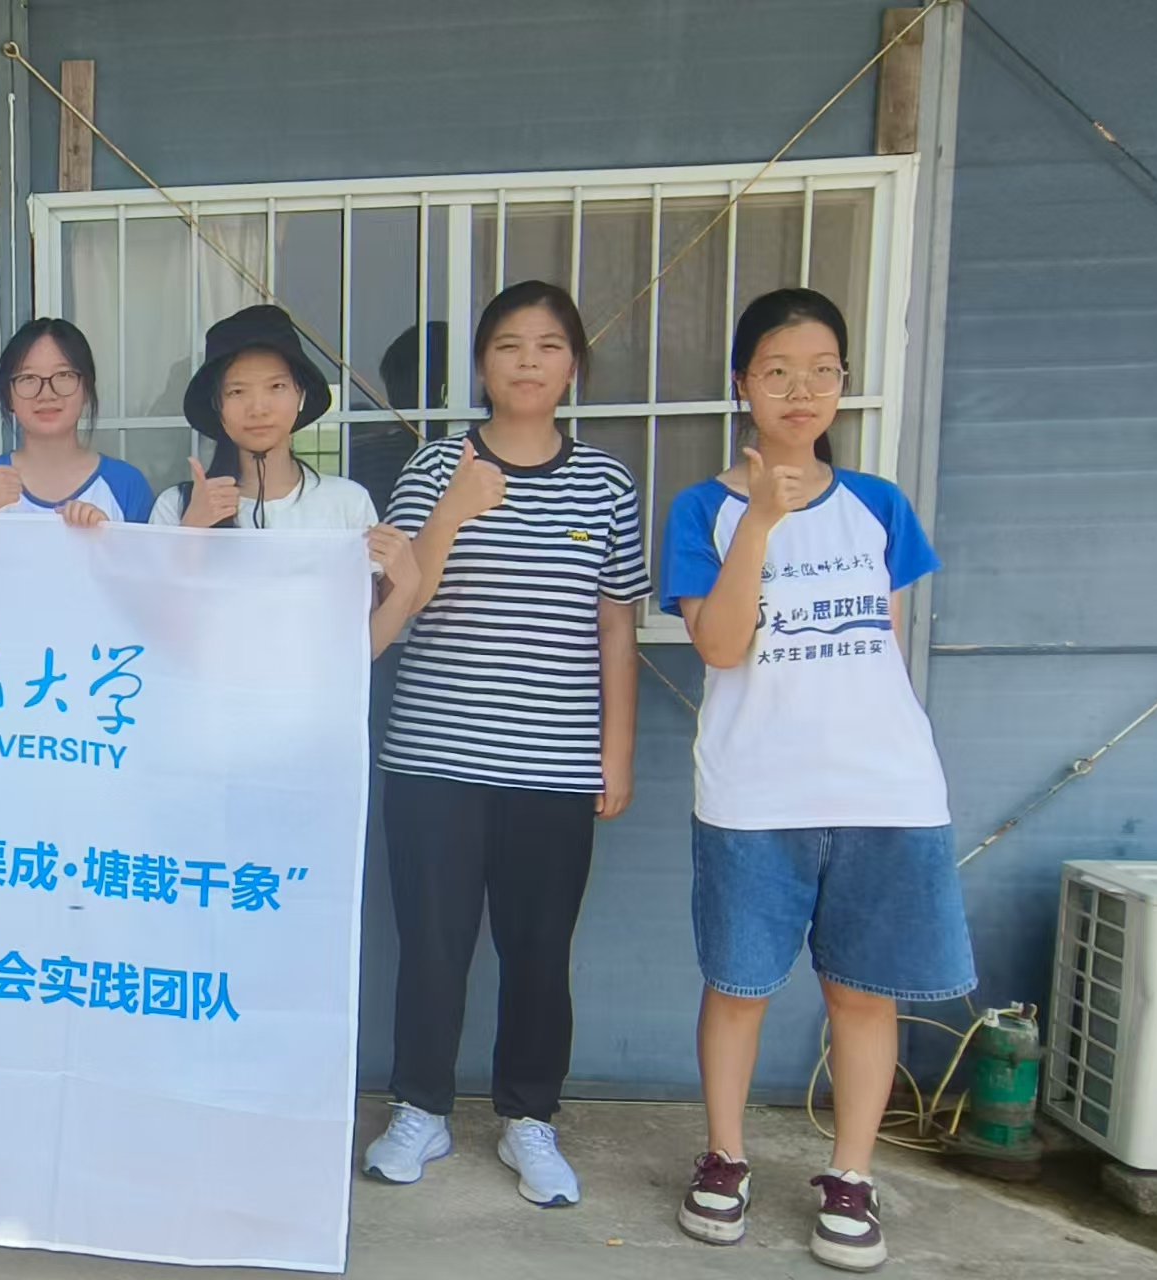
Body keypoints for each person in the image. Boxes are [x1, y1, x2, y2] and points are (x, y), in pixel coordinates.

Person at [662, 287, 968, 1273]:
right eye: (778, 371)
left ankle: (850, 1176)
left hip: (885, 790)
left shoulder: (878, 504)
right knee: (737, 985)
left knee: (862, 995)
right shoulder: (703, 508)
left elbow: (880, 647)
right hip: (754, 791)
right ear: (742, 384)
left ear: (842, 382)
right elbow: (719, 644)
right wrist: (759, 519)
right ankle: (724, 1158)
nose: (801, 390)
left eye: (822, 371)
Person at [364, 280, 648, 1208]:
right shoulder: (431, 467)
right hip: (433, 756)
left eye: (548, 344)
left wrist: (615, 752)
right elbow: (396, 606)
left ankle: (529, 1116)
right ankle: (420, 1107)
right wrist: (454, 507)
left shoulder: (606, 484)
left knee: (537, 949)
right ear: (482, 365)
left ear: (573, 366)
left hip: (552, 762)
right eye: (509, 345)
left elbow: (615, 627)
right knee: (431, 945)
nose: (528, 361)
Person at [150, 304, 421, 657]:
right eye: (236, 392)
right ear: (217, 406)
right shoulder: (177, 506)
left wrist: (406, 587)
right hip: (210, 695)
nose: (258, 408)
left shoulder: (346, 503)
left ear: (300, 394)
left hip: (317, 696)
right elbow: (157, 639)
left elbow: (360, 652)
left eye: (276, 386)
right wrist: (190, 535)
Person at [0, 318, 152, 526]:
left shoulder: (126, 485)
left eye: (63, 375)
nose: (47, 394)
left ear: (87, 388)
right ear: (8, 396)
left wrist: (110, 536)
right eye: (28, 378)